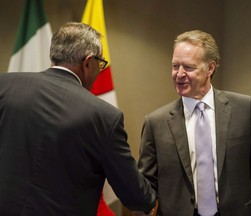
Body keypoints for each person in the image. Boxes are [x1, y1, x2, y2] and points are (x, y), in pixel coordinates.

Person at [0, 22, 156, 216]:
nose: (99, 70)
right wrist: (151, 198)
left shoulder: (5, 86)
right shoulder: (103, 116)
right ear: (88, 62)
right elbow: (135, 195)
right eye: (100, 64)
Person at [138, 30, 251, 216]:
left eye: (188, 67)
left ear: (210, 68)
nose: (179, 74)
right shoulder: (156, 122)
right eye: (175, 66)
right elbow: (144, 187)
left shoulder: (245, 110)